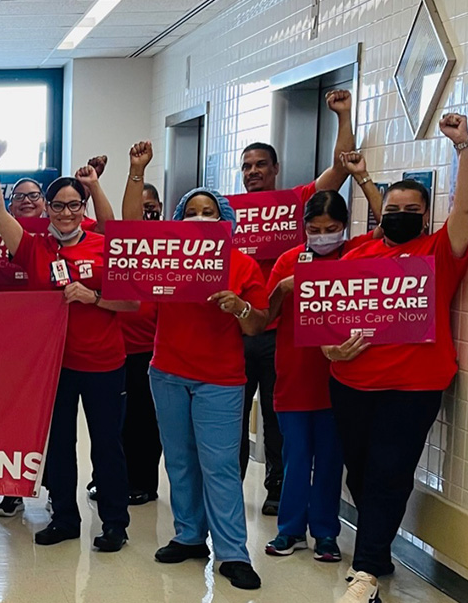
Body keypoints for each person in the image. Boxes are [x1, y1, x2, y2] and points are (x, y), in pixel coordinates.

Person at [328, 114, 468, 603]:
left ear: (425, 214)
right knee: (361, 471)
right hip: (350, 382)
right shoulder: (355, 256)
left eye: (412, 208)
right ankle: (379, 550)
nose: (400, 214)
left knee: (391, 471)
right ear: (380, 213)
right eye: (392, 208)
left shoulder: (439, 252)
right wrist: (330, 346)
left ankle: (367, 570)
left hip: (413, 387)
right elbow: (327, 318)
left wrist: (463, 148)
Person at [123, 140, 268, 590]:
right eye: (192, 211)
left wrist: (240, 307)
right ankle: (188, 535)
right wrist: (136, 171)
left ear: (225, 221)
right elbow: (130, 233)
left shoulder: (242, 266)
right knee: (180, 460)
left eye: (210, 212)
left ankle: (232, 553)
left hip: (220, 380)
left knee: (220, 464)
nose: (200, 219)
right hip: (166, 372)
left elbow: (259, 325)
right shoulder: (167, 260)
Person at [0, 140, 136, 550]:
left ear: (82, 208)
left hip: (104, 363)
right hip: (55, 366)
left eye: (73, 205)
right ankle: (64, 517)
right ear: (46, 209)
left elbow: (133, 301)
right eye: (58, 205)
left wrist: (94, 298)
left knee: (107, 446)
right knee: (60, 447)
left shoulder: (103, 244)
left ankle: (114, 524)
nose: (65, 213)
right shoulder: (34, 247)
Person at [237, 89, 356, 516]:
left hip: (281, 333)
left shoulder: (296, 206)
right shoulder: (228, 215)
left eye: (260, 165)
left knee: (275, 418)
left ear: (275, 169)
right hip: (239, 328)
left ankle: (276, 488)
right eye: (247, 166)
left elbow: (340, 170)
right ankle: (230, 488)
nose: (253, 172)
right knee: (233, 416)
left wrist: (342, 115)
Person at [262, 153, 383, 563]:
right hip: (295, 374)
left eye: (331, 229)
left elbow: (388, 229)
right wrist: (285, 287)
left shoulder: (355, 256)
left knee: (331, 460)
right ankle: (289, 529)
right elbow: (266, 315)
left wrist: (363, 179)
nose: (323, 236)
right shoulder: (288, 260)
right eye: (314, 230)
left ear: (344, 228)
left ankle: (326, 532)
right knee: (297, 457)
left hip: (339, 378)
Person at [117, 182, 164, 507]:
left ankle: (144, 482)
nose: (147, 211)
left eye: (152, 205)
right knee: (117, 421)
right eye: (141, 205)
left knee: (146, 422)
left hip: (153, 349)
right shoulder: (119, 245)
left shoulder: (171, 246)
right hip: (118, 348)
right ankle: (114, 478)